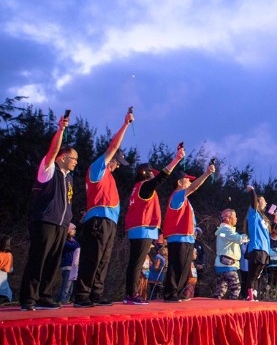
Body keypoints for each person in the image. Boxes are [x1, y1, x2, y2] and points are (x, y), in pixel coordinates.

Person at [72, 108, 133, 308]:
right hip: (98, 220)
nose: (117, 166)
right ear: (111, 159)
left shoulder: (110, 177)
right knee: (92, 257)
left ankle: (96, 293)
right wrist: (125, 124)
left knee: (103, 260)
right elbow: (112, 147)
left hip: (110, 222)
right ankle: (82, 295)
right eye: (117, 162)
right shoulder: (98, 168)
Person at [20, 112, 76, 311]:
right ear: (62, 157)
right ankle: (28, 299)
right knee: (39, 258)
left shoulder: (69, 178)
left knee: (53, 262)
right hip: (45, 220)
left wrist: (68, 221)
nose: (75, 161)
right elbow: (52, 150)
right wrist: (61, 130)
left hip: (61, 225)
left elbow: (67, 201)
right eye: (73, 157)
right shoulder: (48, 169)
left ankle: (44, 296)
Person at [123, 146, 185, 305]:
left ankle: (130, 293)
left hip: (139, 228)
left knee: (135, 262)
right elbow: (162, 177)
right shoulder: (144, 186)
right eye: (152, 173)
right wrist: (176, 159)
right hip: (142, 229)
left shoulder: (138, 188)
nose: (154, 177)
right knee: (137, 263)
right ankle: (131, 294)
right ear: (145, 173)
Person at [162, 162, 215, 302]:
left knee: (184, 267)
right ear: (179, 182)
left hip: (187, 238)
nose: (190, 181)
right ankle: (170, 293)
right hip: (179, 237)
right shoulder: (177, 195)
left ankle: (178, 292)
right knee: (176, 265)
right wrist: (207, 174)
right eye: (187, 179)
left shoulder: (184, 200)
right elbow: (194, 187)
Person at [244, 185, 274, 301]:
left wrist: (275, 222)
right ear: (258, 201)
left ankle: (254, 296)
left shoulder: (263, 218)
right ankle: (249, 296)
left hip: (265, 250)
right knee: (253, 274)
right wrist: (252, 191)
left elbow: (268, 234)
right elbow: (253, 199)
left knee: (258, 275)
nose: (266, 203)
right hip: (256, 248)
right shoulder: (254, 214)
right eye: (264, 200)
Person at [214, 209, 247, 299]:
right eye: (234, 216)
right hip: (227, 265)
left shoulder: (223, 231)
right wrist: (249, 235)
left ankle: (215, 308)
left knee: (220, 290)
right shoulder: (226, 229)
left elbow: (231, 238)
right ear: (228, 218)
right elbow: (239, 239)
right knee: (235, 288)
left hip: (222, 263)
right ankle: (231, 308)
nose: (236, 218)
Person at [58, 224, 79, 304]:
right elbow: (73, 246)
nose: (74, 231)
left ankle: (67, 300)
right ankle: (62, 300)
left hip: (73, 266)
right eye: (73, 229)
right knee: (66, 285)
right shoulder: (64, 241)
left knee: (71, 287)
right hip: (67, 265)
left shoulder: (74, 241)